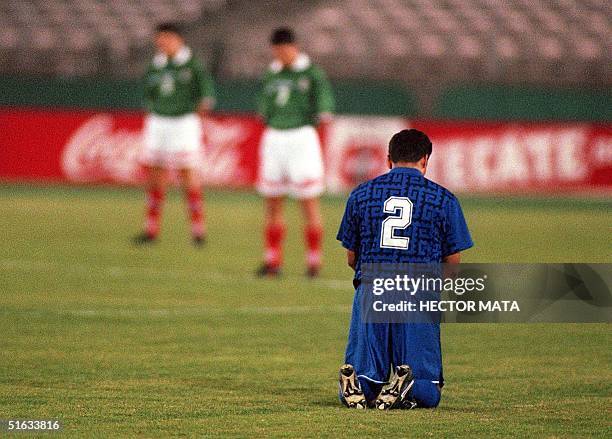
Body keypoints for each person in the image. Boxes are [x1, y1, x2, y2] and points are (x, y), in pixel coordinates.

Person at [336, 129, 474, 409]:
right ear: (425, 160)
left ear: (389, 160)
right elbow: (453, 262)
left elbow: (352, 257)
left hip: (372, 288)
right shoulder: (443, 199)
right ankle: (407, 385)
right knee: (426, 390)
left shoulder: (361, 194)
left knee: (363, 380)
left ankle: (358, 383)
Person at [256, 27, 335, 277]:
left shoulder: (312, 74)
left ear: (295, 47)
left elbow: (324, 110)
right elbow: (263, 108)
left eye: (284, 49)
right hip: (274, 138)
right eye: (276, 50)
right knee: (273, 201)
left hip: (301, 137)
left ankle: (313, 261)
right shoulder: (271, 73)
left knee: (308, 201)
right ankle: (273, 260)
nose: (280, 54)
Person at [134, 22, 216, 246]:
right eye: (159, 38)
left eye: (167, 38)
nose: (162, 43)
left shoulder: (192, 66)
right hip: (158, 122)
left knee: (187, 174)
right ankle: (151, 229)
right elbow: (148, 94)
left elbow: (206, 98)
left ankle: (198, 230)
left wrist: (190, 118)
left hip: (184, 122)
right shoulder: (156, 65)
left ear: (179, 40)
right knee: (155, 175)